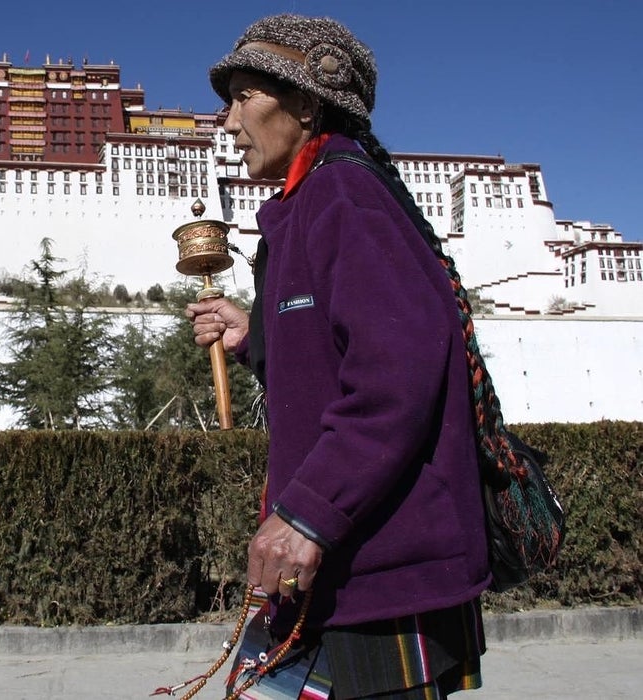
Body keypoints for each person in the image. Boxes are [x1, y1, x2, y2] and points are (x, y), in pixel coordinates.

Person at [185, 14, 492, 699]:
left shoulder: (345, 196)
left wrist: (306, 514)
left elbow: (399, 372)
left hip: (380, 573)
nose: (227, 123)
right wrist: (250, 338)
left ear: (304, 104)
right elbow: (326, 371)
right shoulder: (299, 210)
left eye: (243, 98)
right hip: (329, 570)